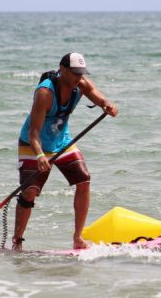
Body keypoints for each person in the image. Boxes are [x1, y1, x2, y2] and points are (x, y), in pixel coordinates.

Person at [12, 53, 118, 251]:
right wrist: (40, 155)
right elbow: (34, 132)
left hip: (62, 141)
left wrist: (107, 105)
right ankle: (17, 241)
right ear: (62, 70)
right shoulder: (45, 93)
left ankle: (78, 238)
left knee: (84, 179)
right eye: (75, 73)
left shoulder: (81, 85)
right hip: (33, 143)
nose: (79, 77)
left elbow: (98, 95)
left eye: (82, 73)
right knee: (30, 192)